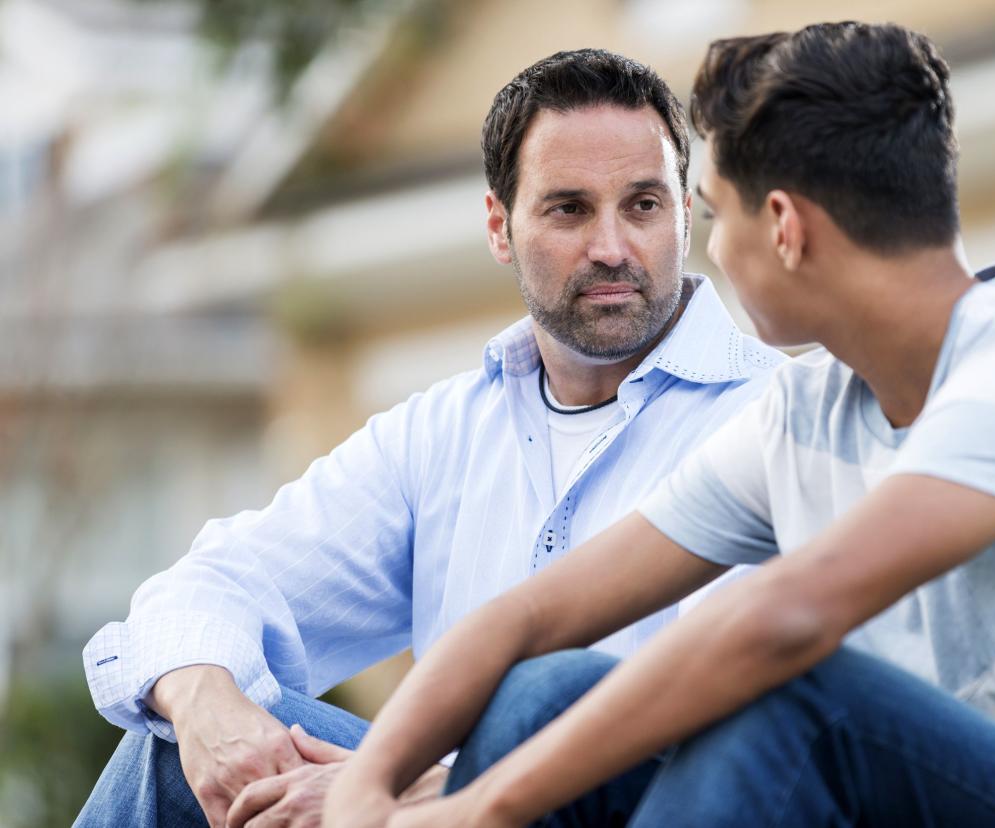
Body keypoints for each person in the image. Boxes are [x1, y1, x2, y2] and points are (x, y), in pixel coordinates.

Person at [321, 21, 995, 828]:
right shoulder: (804, 417)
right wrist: (370, 788)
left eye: (712, 214)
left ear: (786, 229)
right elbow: (533, 615)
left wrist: (482, 807)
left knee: (797, 693)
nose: (709, 253)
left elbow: (787, 619)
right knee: (544, 692)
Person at [75, 48, 785, 828]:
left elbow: (725, 708)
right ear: (499, 226)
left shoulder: (769, 418)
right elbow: (213, 585)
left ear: (685, 213)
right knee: (177, 745)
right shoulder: (441, 433)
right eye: (569, 209)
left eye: (643, 205)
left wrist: (397, 789)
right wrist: (206, 706)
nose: (612, 247)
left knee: (540, 701)